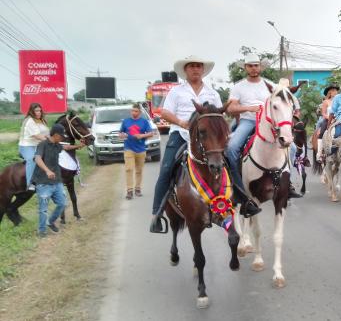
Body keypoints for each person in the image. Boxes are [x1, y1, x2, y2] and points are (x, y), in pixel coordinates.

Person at [150, 55, 226, 233]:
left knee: (228, 161)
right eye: (191, 66)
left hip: (207, 138)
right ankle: (157, 213)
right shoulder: (176, 92)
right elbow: (164, 113)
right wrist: (182, 123)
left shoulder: (213, 94)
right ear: (185, 70)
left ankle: (241, 200)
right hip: (181, 134)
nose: (195, 69)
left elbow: (219, 118)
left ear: (203, 70)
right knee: (167, 168)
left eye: (198, 66)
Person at [225, 54, 301, 201]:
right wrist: (250, 108)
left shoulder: (271, 86)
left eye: (256, 65)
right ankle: (237, 185)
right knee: (231, 148)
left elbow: (284, 103)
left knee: (291, 148)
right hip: (248, 121)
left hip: (270, 123)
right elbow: (231, 108)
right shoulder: (238, 87)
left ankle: (287, 182)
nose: (253, 68)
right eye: (250, 66)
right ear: (245, 68)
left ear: (260, 67)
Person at [33, 124, 85, 237]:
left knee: (62, 203)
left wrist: (78, 146)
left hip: (57, 182)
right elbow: (37, 159)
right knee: (43, 209)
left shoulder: (57, 145)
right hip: (43, 182)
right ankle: (41, 231)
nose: (63, 138)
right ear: (56, 135)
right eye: (62, 136)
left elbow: (66, 147)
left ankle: (50, 222)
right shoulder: (42, 145)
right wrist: (47, 171)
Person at [120, 103, 154, 200]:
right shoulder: (126, 121)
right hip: (128, 148)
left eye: (135, 111)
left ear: (139, 112)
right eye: (132, 111)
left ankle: (137, 189)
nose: (133, 113)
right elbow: (121, 132)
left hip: (141, 149)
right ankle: (129, 191)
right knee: (129, 169)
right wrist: (122, 135)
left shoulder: (144, 122)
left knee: (139, 170)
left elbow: (151, 133)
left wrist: (142, 136)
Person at [19, 103, 49, 191]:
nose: (39, 112)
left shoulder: (41, 120)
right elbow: (38, 136)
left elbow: (47, 134)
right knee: (33, 159)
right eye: (36, 111)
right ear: (32, 111)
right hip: (27, 146)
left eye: (40, 110)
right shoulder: (30, 121)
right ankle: (30, 183)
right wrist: (50, 141)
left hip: (38, 145)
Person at [315, 84, 339, 163]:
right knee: (321, 133)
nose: (335, 92)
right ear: (330, 93)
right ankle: (319, 154)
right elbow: (324, 113)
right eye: (333, 91)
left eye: (336, 91)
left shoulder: (339, 101)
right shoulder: (326, 102)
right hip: (328, 120)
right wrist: (330, 118)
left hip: (338, 120)